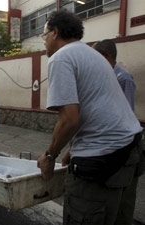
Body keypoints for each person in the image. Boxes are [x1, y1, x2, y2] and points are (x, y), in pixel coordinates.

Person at [37, 10, 143, 225]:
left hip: (102, 161)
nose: (44, 42)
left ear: (55, 33)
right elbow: (97, 110)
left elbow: (70, 120)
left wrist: (50, 156)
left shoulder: (61, 58)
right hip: (130, 150)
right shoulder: (93, 55)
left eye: (44, 35)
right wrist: (71, 150)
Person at [93, 39, 136, 111]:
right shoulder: (102, 75)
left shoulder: (124, 78)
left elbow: (128, 108)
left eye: (98, 57)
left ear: (108, 56)